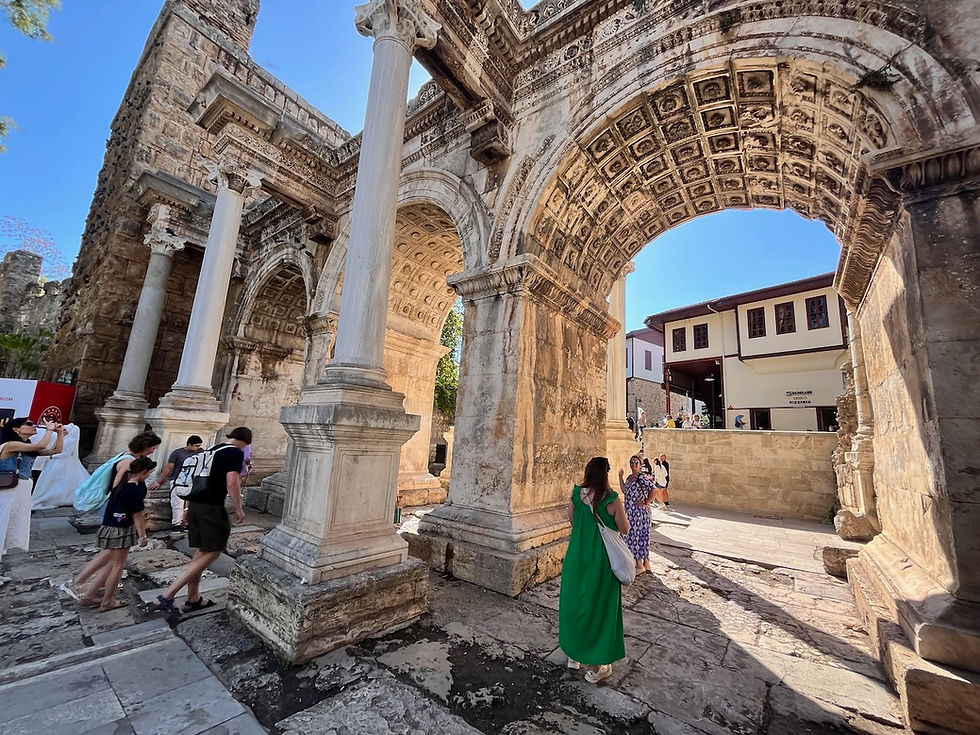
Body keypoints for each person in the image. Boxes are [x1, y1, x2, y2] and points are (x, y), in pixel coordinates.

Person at [153, 427, 251, 615]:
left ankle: (193, 598)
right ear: (246, 441)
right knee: (214, 550)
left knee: (201, 551)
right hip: (212, 506)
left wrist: (188, 507)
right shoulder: (234, 453)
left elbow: (196, 478)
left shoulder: (213, 449)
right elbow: (232, 481)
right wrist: (238, 507)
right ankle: (168, 595)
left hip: (196, 504)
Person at [62, 431, 161, 598]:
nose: (153, 451)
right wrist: (134, 511)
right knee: (113, 556)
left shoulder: (128, 458)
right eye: (152, 448)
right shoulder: (128, 464)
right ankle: (81, 583)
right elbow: (117, 488)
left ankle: (89, 589)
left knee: (111, 556)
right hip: (119, 513)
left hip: (119, 512)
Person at [558, 457, 629, 685]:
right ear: (606, 474)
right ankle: (599, 666)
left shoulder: (576, 494)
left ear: (588, 472)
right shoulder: (612, 499)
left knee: (575, 604)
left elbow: (572, 520)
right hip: (601, 562)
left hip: (577, 557)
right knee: (599, 609)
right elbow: (624, 528)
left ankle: (574, 655)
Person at [75, 457, 154, 611]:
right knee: (118, 566)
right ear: (144, 472)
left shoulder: (120, 485)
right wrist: (142, 535)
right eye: (149, 473)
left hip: (109, 525)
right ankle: (107, 600)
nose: (149, 476)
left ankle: (90, 594)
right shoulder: (135, 490)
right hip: (121, 529)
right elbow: (137, 515)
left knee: (111, 562)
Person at [0, 418, 65, 560]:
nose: (33, 425)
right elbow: (42, 445)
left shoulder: (28, 447)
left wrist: (59, 434)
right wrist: (49, 429)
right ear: (16, 429)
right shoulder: (9, 445)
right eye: (28, 424)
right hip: (6, 491)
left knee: (9, 527)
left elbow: (57, 450)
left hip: (21, 491)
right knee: (2, 524)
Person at [148, 435, 204, 531]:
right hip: (178, 481)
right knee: (177, 503)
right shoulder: (177, 453)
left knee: (192, 504)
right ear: (189, 444)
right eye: (196, 446)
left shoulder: (201, 452)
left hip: (193, 481)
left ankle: (188, 523)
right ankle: (176, 524)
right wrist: (159, 481)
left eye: (199, 446)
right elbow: (168, 468)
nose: (197, 448)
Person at [32, 424, 91, 510]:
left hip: (60, 461)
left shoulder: (70, 440)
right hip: (55, 461)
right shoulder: (62, 438)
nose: (63, 431)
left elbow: (65, 453)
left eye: (65, 430)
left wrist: (53, 456)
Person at [619, 455, 655, 574]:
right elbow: (624, 490)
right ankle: (641, 563)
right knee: (631, 536)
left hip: (639, 513)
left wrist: (645, 502)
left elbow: (654, 490)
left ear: (640, 465)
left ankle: (640, 564)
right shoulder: (630, 477)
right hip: (630, 512)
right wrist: (620, 477)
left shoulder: (641, 477)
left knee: (637, 537)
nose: (633, 464)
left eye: (636, 462)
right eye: (631, 462)